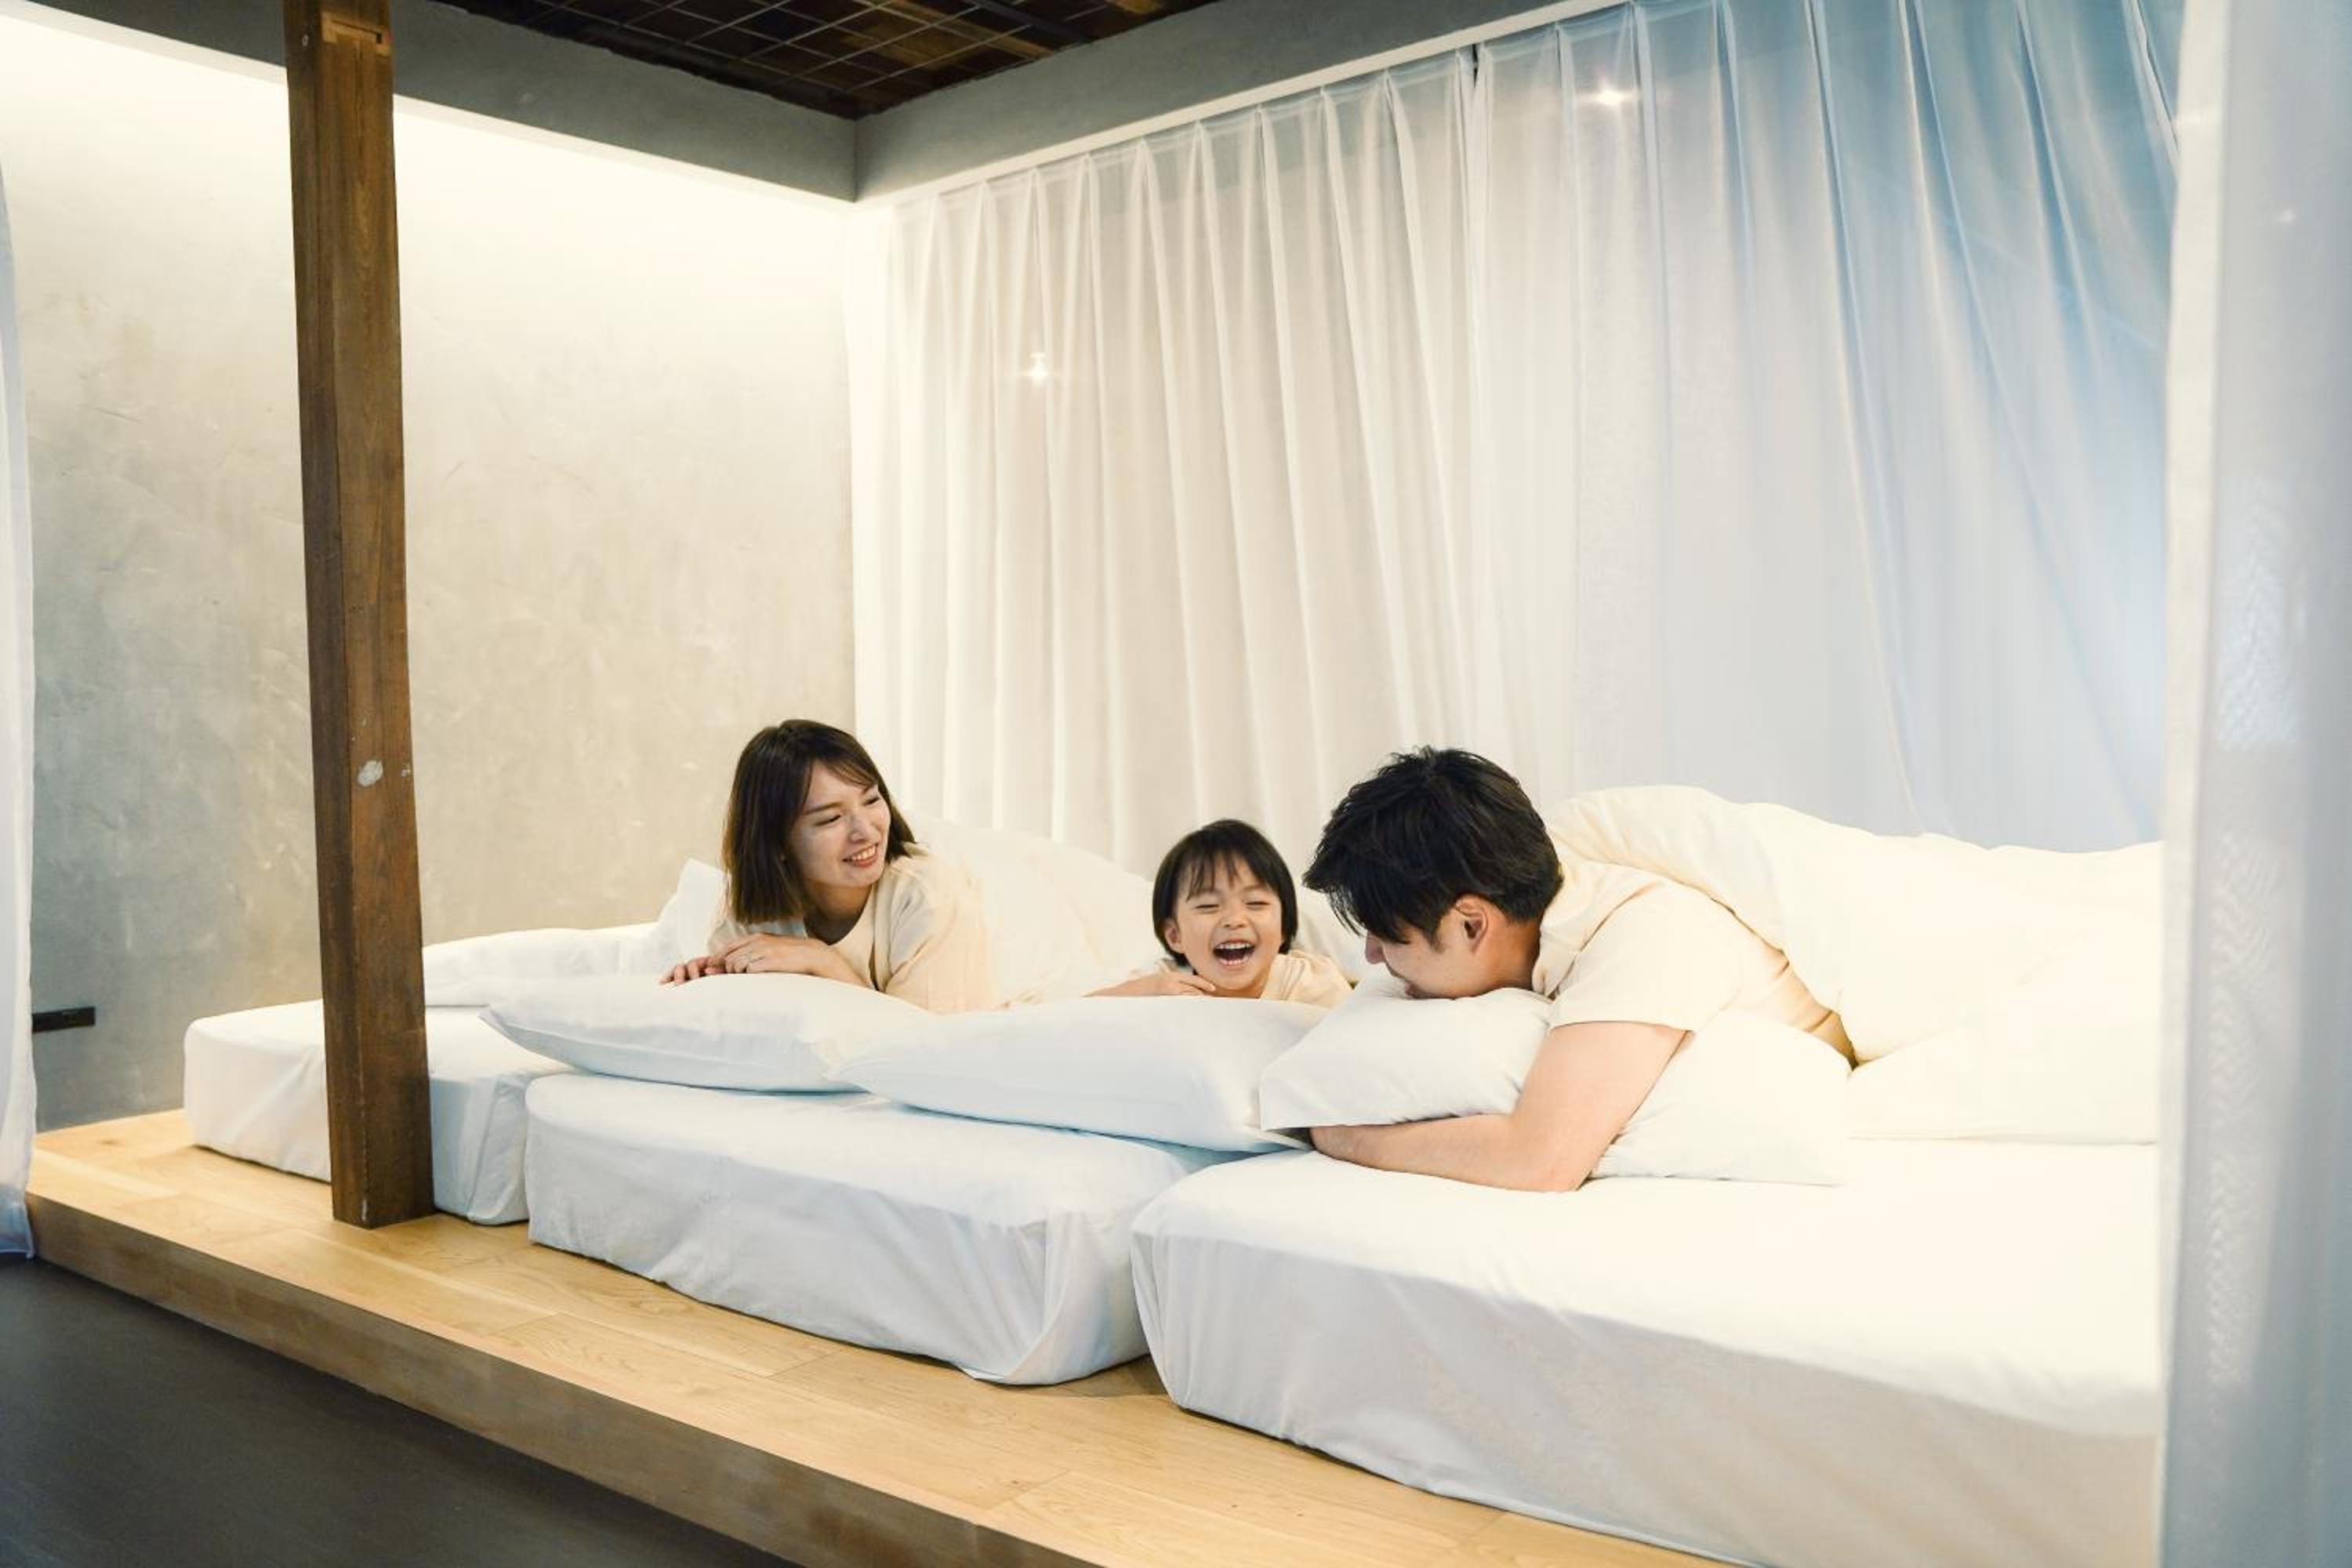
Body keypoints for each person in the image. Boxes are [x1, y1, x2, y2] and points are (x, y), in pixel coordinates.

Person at [1301, 748, 1846, 1191]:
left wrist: (1342, 1136)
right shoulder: (1538, 921)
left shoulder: (1648, 937)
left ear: (1472, 924)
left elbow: (1540, 1161)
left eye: (1388, 935)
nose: (1373, 956)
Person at [661, 720, 994, 1012]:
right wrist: (705, 989)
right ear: (776, 843)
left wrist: (820, 961)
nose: (867, 832)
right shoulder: (748, 914)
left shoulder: (929, 898)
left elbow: (923, 1046)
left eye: (872, 800)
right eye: (831, 818)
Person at [1092, 818, 1352, 1007]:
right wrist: (1141, 992)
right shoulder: (1164, 984)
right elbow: (1075, 1020)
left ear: (1284, 926)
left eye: (1255, 903)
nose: (1234, 920)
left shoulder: (1308, 982)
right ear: (1174, 936)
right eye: (1208, 906)